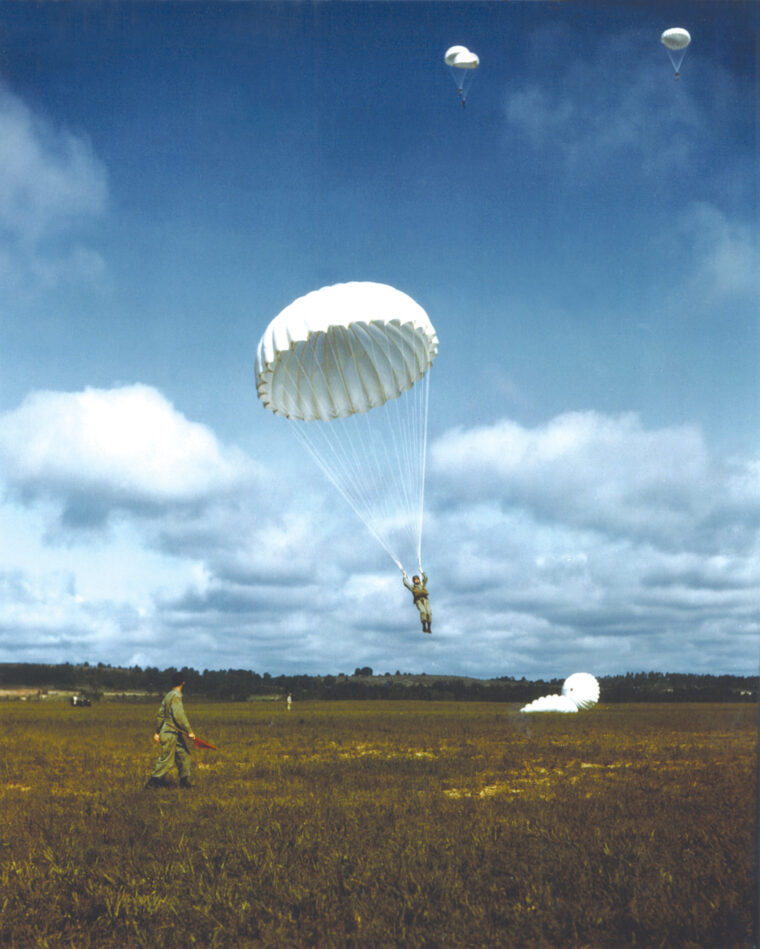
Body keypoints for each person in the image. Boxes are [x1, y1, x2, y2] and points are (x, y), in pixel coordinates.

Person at [145, 672, 196, 789]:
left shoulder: (168, 695)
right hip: (170, 733)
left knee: (184, 756)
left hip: (173, 733)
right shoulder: (176, 696)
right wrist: (189, 731)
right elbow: (179, 715)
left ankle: (184, 782)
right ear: (183, 683)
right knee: (167, 760)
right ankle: (152, 783)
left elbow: (160, 715)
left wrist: (157, 731)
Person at [402, 569, 432, 633]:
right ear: (413, 581)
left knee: (428, 612)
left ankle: (429, 628)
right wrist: (404, 576)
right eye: (415, 580)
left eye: (417, 579)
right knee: (423, 612)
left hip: (425, 600)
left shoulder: (422, 585)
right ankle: (424, 626)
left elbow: (426, 578)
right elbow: (405, 584)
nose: (416, 580)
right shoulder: (413, 588)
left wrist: (422, 572)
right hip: (418, 601)